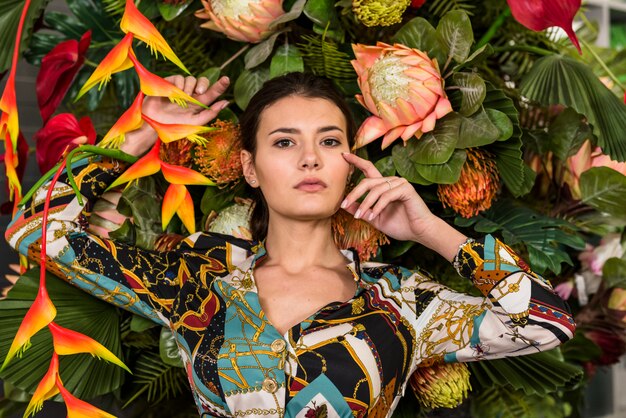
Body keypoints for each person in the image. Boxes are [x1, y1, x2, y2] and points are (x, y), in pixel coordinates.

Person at [5, 72, 575, 417]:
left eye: (329, 140)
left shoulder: (400, 303)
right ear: (250, 168)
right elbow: (36, 231)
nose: (310, 158)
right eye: (285, 142)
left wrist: (431, 231)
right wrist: (138, 135)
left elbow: (549, 323)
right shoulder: (196, 282)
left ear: (349, 161)